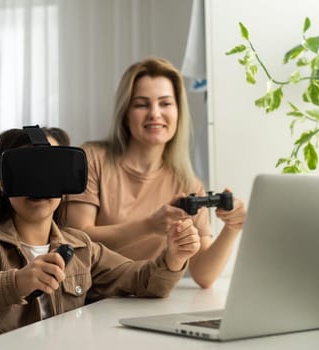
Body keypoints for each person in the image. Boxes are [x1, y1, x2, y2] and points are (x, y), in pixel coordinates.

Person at [0, 127, 200, 347]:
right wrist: (15, 283)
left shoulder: (81, 249)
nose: (40, 183)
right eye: (28, 171)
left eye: (51, 170)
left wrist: (174, 257)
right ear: (3, 182)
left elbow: (142, 280)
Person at [65, 57, 247, 289]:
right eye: (141, 104)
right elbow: (76, 237)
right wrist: (149, 226)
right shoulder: (91, 159)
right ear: (125, 112)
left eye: (165, 103)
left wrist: (232, 229)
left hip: (150, 297)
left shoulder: (188, 184)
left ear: (178, 111)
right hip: (90, 299)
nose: (155, 114)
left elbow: (204, 275)